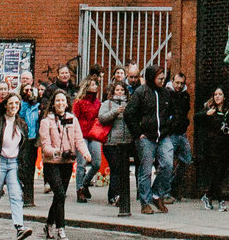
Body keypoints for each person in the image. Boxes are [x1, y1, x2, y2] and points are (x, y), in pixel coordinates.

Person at [0, 75, 31, 240]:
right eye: (11, 104)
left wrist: (22, 164)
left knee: (16, 194)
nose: (14, 107)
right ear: (6, 106)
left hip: (13, 163)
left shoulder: (21, 124)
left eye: (17, 104)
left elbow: (23, 147)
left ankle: (19, 227)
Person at [125, 65, 175, 213]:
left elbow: (173, 113)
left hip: (163, 136)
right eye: (159, 78)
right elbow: (129, 114)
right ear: (152, 78)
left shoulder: (166, 93)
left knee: (167, 165)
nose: (162, 80)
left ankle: (155, 194)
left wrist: (168, 128)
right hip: (146, 137)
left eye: (163, 78)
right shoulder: (141, 92)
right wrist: (137, 132)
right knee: (145, 170)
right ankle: (145, 202)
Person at [37, 90, 83, 240]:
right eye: (57, 101)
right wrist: (56, 152)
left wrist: (85, 153)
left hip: (67, 163)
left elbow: (78, 139)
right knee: (61, 194)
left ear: (67, 103)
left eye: (63, 100)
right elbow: (45, 146)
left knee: (59, 196)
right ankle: (60, 229)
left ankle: (49, 223)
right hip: (52, 163)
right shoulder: (46, 121)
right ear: (53, 103)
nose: (60, 103)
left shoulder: (72, 119)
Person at [196, 85, 229, 210]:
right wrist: (205, 114)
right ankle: (221, 201)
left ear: (224, 97)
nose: (217, 96)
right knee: (216, 171)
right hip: (212, 146)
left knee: (220, 174)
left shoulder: (228, 111)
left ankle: (208, 196)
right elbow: (196, 118)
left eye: (220, 94)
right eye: (215, 94)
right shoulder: (209, 109)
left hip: (225, 146)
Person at [101, 77, 135, 217]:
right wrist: (115, 112)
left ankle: (118, 194)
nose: (120, 92)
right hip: (111, 142)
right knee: (115, 168)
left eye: (122, 90)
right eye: (117, 90)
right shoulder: (107, 104)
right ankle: (114, 195)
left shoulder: (130, 104)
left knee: (122, 169)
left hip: (125, 142)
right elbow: (101, 118)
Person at [161, 70, 194, 204]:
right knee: (167, 163)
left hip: (181, 133)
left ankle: (173, 187)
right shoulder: (167, 94)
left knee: (186, 160)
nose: (179, 85)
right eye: (177, 83)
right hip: (171, 133)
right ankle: (165, 192)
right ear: (172, 82)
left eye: (182, 83)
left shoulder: (185, 96)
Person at [74, 77, 107, 202]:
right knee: (81, 164)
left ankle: (85, 182)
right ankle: (80, 189)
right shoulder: (79, 102)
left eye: (96, 84)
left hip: (94, 134)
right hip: (82, 134)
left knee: (96, 163)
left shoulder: (98, 103)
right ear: (86, 86)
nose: (95, 86)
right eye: (92, 84)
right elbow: (75, 117)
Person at [17, 79, 44, 206]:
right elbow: (21, 116)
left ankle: (29, 198)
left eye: (30, 90)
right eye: (26, 90)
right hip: (23, 139)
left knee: (30, 169)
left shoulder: (37, 105)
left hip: (33, 139)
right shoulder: (22, 104)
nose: (28, 92)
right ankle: (21, 191)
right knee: (23, 168)